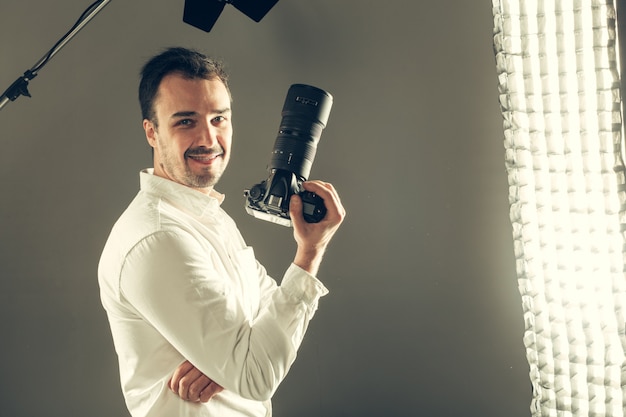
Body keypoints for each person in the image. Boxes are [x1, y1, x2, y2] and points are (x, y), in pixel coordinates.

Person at [97, 46, 345, 417]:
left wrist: (225, 361)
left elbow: (264, 319)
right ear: (152, 132)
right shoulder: (159, 238)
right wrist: (310, 253)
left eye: (219, 119)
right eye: (185, 121)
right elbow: (256, 372)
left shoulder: (205, 214)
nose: (209, 139)